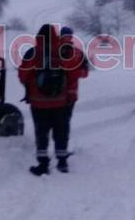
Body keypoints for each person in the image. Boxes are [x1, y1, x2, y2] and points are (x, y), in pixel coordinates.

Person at [19, 24, 79, 176]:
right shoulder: (63, 52)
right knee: (61, 131)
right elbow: (73, 74)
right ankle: (62, 162)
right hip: (60, 101)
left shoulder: (33, 53)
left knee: (41, 132)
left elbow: (23, 75)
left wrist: (34, 84)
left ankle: (43, 164)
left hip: (38, 103)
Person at [60, 26, 88, 123]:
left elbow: (85, 72)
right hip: (55, 92)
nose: (67, 38)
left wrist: (73, 73)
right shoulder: (52, 51)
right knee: (63, 119)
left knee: (65, 118)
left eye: (69, 36)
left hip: (69, 93)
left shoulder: (78, 53)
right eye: (65, 36)